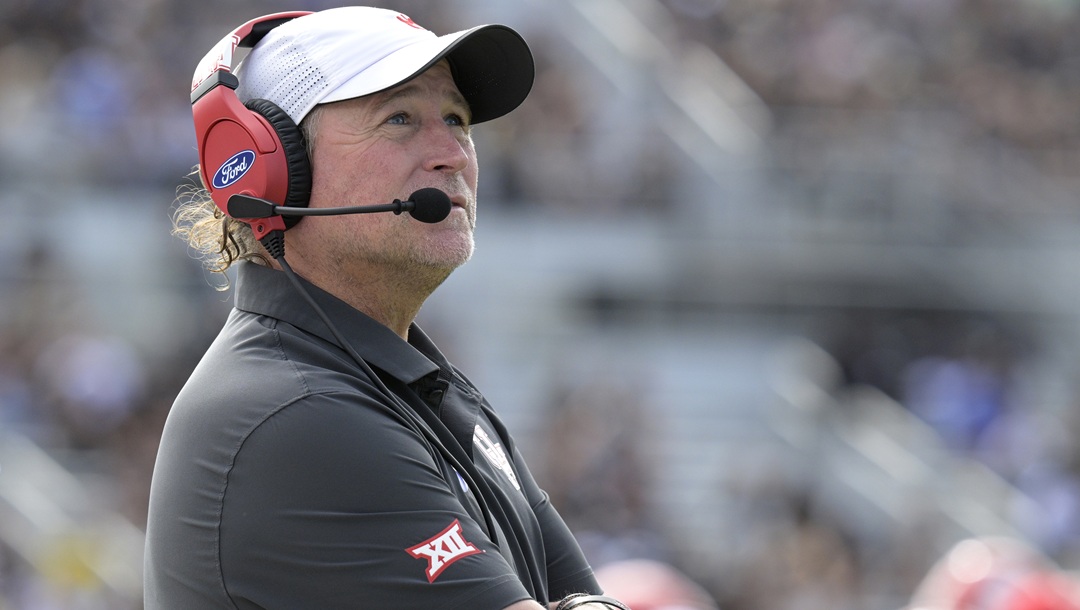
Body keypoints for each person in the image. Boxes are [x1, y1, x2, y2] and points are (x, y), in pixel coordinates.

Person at [144, 7, 628, 610]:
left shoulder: (426, 392)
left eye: (456, 120)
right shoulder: (299, 416)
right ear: (271, 168)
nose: (453, 154)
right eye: (399, 118)